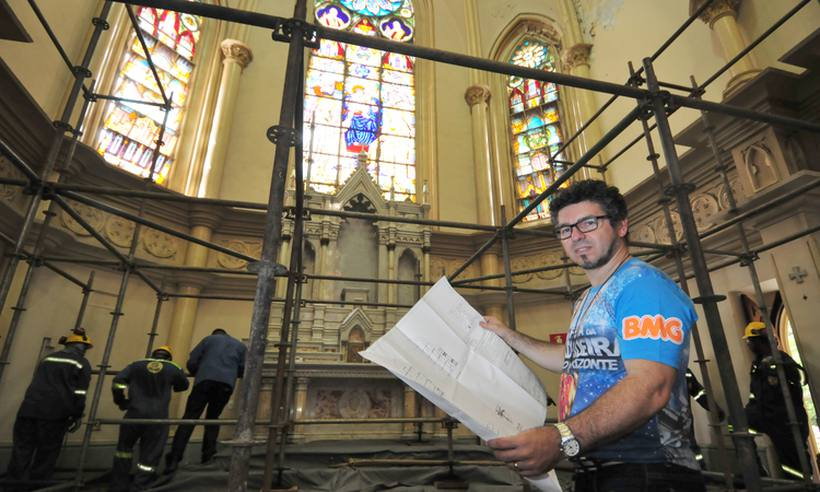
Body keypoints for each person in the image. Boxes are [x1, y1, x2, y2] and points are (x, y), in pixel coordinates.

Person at [480, 179, 704, 491]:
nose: (576, 236)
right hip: (597, 465)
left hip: (648, 470)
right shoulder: (588, 297)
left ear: (621, 225)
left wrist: (561, 438)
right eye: (565, 229)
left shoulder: (643, 287)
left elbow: (651, 386)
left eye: (588, 222)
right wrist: (509, 336)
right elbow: (576, 359)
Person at [5, 328, 92, 489]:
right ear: (79, 346)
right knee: (47, 453)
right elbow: (80, 392)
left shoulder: (48, 359)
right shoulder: (81, 363)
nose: (85, 351)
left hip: (28, 410)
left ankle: (12, 486)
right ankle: (38, 486)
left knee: (22, 450)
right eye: (85, 348)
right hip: (55, 414)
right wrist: (77, 415)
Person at [165, 328, 246, 473]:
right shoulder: (239, 345)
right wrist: (229, 374)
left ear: (215, 333)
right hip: (226, 385)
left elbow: (192, 361)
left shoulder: (208, 340)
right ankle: (208, 457)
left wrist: (200, 372)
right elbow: (243, 367)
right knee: (213, 419)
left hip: (204, 381)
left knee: (189, 418)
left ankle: (174, 460)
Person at [110, 345, 188, 491]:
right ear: (168, 357)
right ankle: (140, 485)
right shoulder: (173, 367)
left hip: (134, 413)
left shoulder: (137, 365)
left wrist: (121, 401)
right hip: (157, 417)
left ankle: (118, 485)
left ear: (153, 355)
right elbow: (183, 385)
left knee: (123, 450)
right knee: (150, 453)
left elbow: (118, 381)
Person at [742, 321, 810, 480]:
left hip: (785, 419)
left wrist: (779, 366)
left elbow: (802, 377)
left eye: (749, 341)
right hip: (765, 416)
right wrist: (749, 411)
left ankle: (800, 485)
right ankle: (756, 471)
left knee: (792, 462)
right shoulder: (756, 364)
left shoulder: (781, 358)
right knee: (737, 423)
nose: (748, 345)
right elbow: (755, 394)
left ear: (759, 341)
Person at [685, 368, 725, 468]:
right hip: (661, 425)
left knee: (692, 450)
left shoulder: (684, 372)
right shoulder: (653, 368)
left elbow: (698, 392)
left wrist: (714, 408)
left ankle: (701, 472)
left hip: (684, 423)